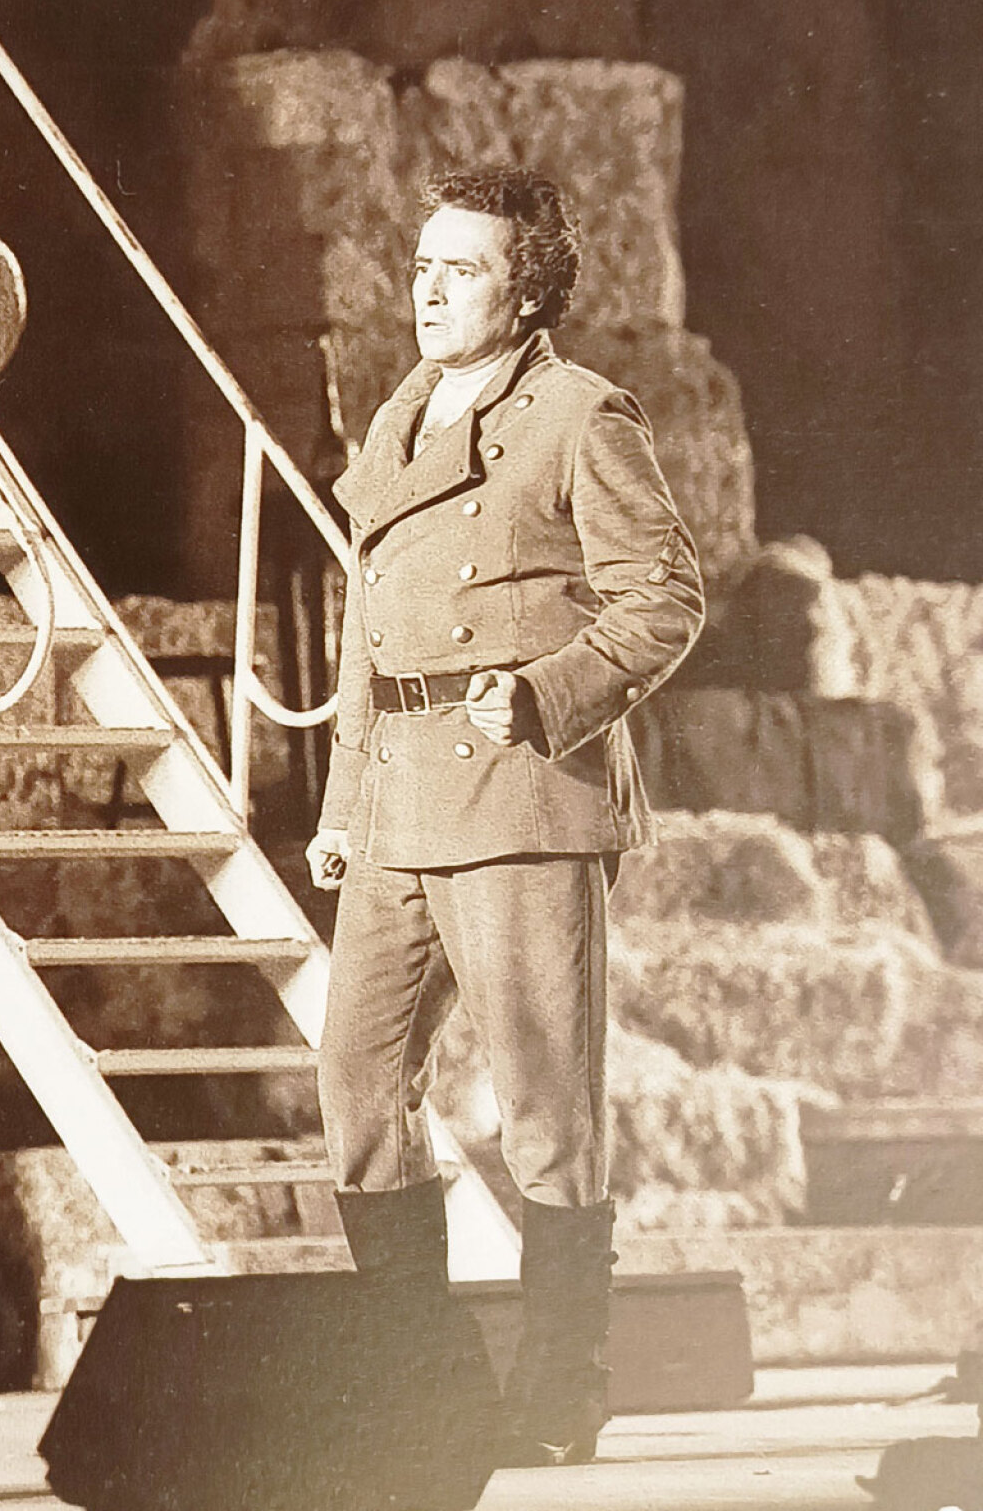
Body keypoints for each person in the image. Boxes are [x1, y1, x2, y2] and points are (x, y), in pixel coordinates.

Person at [305, 167, 704, 1468]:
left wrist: (546, 693)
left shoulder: (581, 415)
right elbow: (371, 628)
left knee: (545, 1105)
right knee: (358, 1079)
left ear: (525, 291)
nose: (427, 289)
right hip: (399, 801)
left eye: (461, 268)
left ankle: (561, 1390)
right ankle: (418, 1382)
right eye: (422, 263)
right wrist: (345, 799)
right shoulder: (401, 415)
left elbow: (664, 598)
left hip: (524, 796)